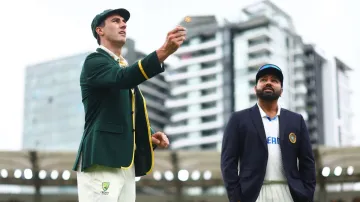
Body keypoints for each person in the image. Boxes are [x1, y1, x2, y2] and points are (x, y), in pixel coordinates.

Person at [72, 8, 187, 202]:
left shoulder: (120, 67)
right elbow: (123, 79)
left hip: (125, 164)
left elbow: (127, 110)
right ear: (99, 31)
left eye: (124, 21)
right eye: (116, 21)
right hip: (102, 159)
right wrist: (163, 52)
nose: (123, 24)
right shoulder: (95, 61)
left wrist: (148, 135)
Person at [220, 64, 316, 202]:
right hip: (253, 194)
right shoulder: (238, 119)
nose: (269, 82)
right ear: (255, 88)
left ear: (281, 91)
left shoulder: (296, 120)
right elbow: (228, 162)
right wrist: (236, 197)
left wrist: (306, 194)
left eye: (274, 80)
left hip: (288, 193)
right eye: (263, 79)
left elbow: (308, 162)